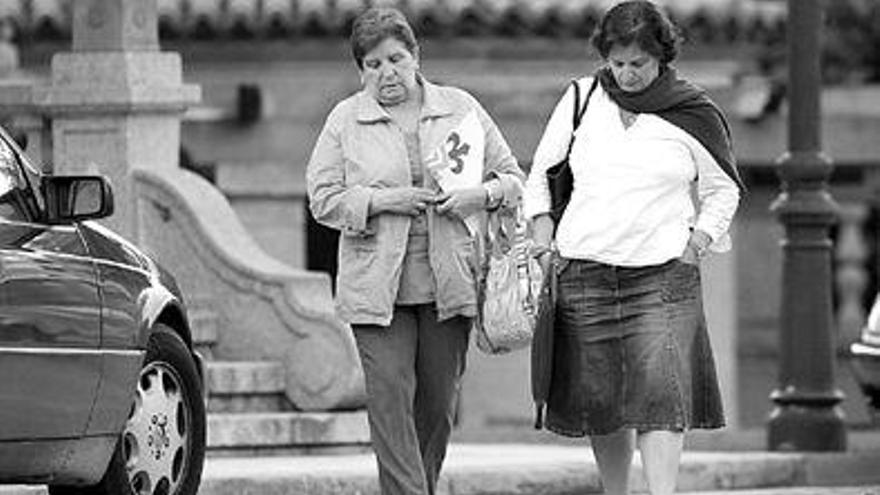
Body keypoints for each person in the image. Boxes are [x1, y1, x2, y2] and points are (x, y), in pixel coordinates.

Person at [523, 2, 743, 494]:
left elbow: (723, 189)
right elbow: (539, 176)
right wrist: (542, 242)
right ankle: (615, 490)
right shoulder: (582, 97)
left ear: (661, 57)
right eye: (616, 63)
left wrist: (696, 245)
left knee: (661, 398)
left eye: (637, 64)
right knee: (603, 403)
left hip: (664, 274)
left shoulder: (693, 111)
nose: (625, 74)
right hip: (584, 271)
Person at [306, 7, 524, 495]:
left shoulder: (461, 108)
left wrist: (479, 195)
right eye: (373, 65)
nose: (387, 73)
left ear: (415, 57)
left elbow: (514, 180)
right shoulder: (346, 119)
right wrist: (384, 201)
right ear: (360, 71)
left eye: (395, 60)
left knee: (437, 408)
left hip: (450, 281)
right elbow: (322, 199)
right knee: (389, 401)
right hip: (376, 288)